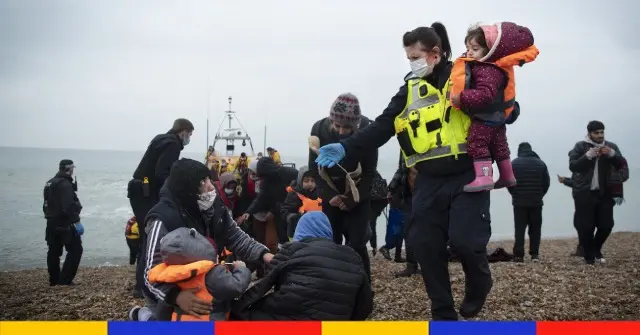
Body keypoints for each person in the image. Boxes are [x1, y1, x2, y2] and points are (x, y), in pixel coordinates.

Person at [314, 23, 503, 320]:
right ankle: (442, 313)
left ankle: (480, 281)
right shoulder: (410, 88)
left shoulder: (467, 74)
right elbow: (381, 125)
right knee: (425, 245)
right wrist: (347, 147)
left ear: (435, 53)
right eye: (408, 58)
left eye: (415, 56)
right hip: (428, 178)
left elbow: (503, 103)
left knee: (466, 242)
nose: (412, 63)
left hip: (468, 172)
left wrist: (503, 107)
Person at [139, 158, 273, 320]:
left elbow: (236, 237)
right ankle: (143, 316)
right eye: (203, 182)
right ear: (187, 188)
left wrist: (264, 255)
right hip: (174, 297)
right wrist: (176, 296)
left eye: (209, 179)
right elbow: (149, 273)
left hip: (210, 287)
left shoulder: (214, 204)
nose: (211, 186)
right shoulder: (163, 219)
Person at [230, 212, 373, 320]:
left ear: (300, 231)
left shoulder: (291, 250)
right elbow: (365, 305)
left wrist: (237, 310)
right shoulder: (352, 256)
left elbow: (263, 285)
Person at [450, 22, 538, 192]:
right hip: (498, 118)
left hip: (484, 118)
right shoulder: (498, 67)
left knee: (477, 143)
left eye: (474, 49)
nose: (469, 52)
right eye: (468, 48)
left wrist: (461, 98)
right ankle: (507, 175)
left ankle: (484, 177)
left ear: (490, 50)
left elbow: (485, 95)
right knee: (499, 146)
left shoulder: (486, 69)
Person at [308, 92, 378, 281]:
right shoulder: (318, 129)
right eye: (337, 126)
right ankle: (334, 284)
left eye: (347, 128)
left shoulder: (367, 131)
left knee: (357, 243)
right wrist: (329, 195)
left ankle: (363, 288)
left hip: (357, 192)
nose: (340, 132)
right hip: (330, 191)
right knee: (331, 242)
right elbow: (314, 170)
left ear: (356, 125)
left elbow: (370, 173)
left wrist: (351, 200)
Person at [128, 118, 194, 298]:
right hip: (145, 193)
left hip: (138, 190)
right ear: (183, 131)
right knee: (150, 237)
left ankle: (142, 284)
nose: (189, 138)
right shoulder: (172, 144)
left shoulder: (161, 139)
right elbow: (162, 173)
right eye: (189, 134)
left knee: (145, 235)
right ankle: (143, 286)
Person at [136, 227, 251, 321]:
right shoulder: (212, 274)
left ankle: (141, 315)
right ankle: (143, 315)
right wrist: (241, 269)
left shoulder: (171, 273)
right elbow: (236, 286)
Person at [568, 121, 627, 264]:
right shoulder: (580, 146)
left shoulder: (611, 147)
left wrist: (612, 154)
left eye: (602, 132)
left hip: (606, 192)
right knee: (586, 227)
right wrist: (587, 156)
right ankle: (590, 256)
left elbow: (622, 165)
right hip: (584, 192)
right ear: (589, 134)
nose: (600, 135)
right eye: (596, 133)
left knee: (606, 225)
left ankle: (595, 249)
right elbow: (573, 166)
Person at [239, 157, 298, 245]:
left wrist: (273, 210)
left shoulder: (291, 173)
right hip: (279, 214)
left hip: (293, 212)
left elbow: (295, 196)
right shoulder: (266, 180)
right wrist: (249, 211)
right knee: (282, 238)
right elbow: (261, 197)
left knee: (294, 237)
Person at [43, 159, 83, 286]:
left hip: (51, 222)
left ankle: (54, 280)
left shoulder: (49, 183)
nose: (73, 171)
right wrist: (76, 222)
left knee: (54, 251)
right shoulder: (65, 184)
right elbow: (68, 206)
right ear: (69, 169)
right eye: (72, 168)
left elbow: (46, 204)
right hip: (65, 223)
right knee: (76, 249)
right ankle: (64, 280)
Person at [507, 142, 550, 262]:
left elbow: (509, 182)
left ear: (519, 151)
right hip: (536, 202)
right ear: (531, 150)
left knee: (519, 229)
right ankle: (534, 254)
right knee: (535, 229)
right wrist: (540, 195)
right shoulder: (541, 163)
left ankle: (519, 255)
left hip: (519, 202)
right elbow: (546, 183)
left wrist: (514, 194)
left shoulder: (514, 163)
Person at [386, 154, 420, 277]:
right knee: (408, 230)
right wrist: (391, 188)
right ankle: (411, 265)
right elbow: (402, 169)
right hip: (408, 195)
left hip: (428, 190)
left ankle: (429, 265)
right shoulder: (405, 141)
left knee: (428, 230)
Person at [280, 165, 322, 241]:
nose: (310, 184)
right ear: (300, 181)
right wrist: (291, 217)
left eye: (313, 181)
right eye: (306, 181)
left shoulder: (320, 194)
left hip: (316, 233)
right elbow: (284, 211)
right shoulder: (294, 194)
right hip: (298, 232)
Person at [368, 171, 389, 256]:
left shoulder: (363, 171)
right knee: (372, 224)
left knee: (370, 224)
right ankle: (374, 247)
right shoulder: (374, 172)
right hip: (379, 201)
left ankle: (373, 246)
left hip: (372, 201)